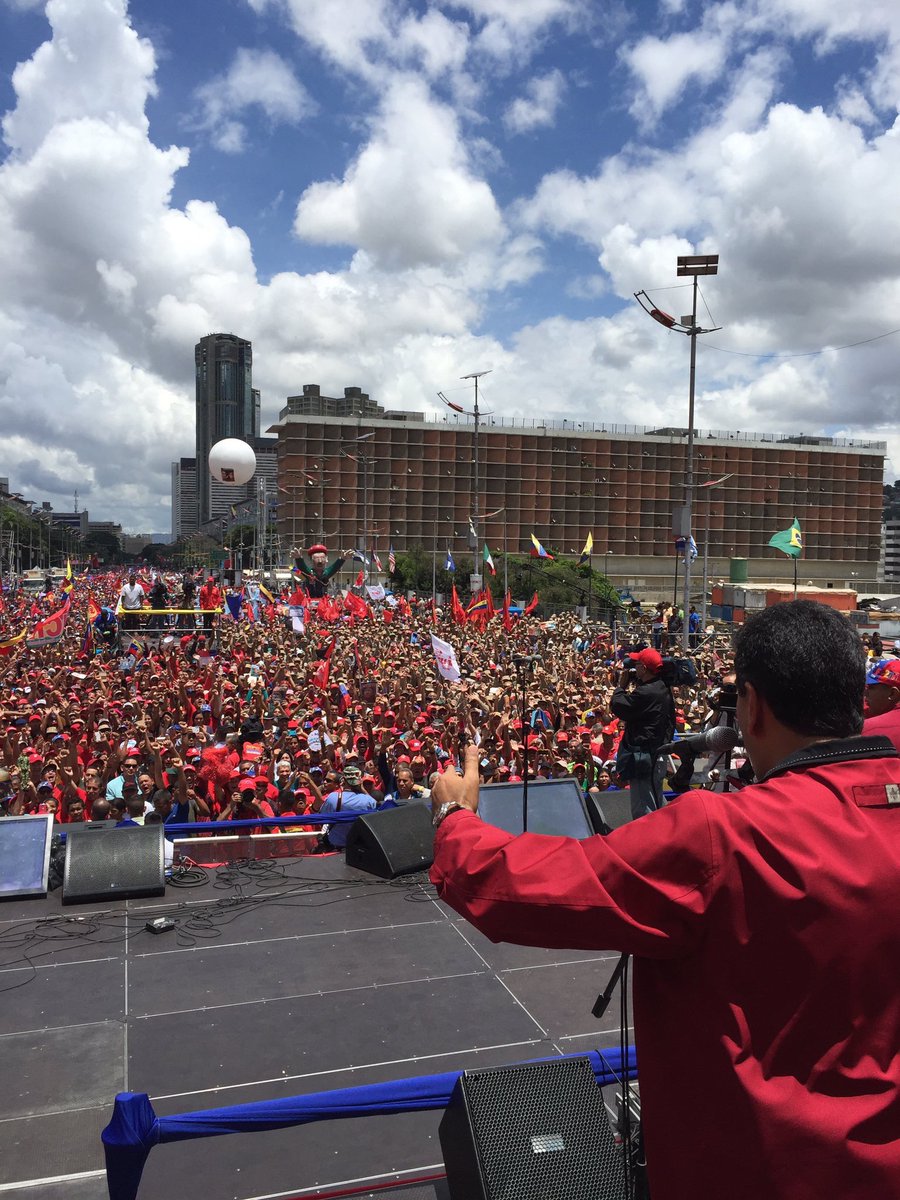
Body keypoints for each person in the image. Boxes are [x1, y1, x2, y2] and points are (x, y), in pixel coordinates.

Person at [429, 601, 900, 1200]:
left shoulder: (722, 835)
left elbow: (521, 886)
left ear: (752, 706)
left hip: (761, 1174)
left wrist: (454, 819)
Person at [610, 647, 675, 819]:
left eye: (637, 664)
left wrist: (620, 687)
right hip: (656, 753)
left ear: (644, 668)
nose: (634, 668)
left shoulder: (646, 692)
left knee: (643, 807)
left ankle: (649, 842)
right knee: (656, 801)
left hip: (644, 756)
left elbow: (619, 706)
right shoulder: (661, 687)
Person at [317, 763, 376, 848]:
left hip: (336, 848)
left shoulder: (333, 798)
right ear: (360, 781)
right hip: (359, 848)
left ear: (343, 780)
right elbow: (376, 809)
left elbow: (322, 816)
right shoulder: (369, 801)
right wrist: (362, 789)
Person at [861, 657, 900, 751]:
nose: (865, 693)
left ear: (892, 694)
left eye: (870, 688)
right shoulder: (866, 710)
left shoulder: (871, 732)